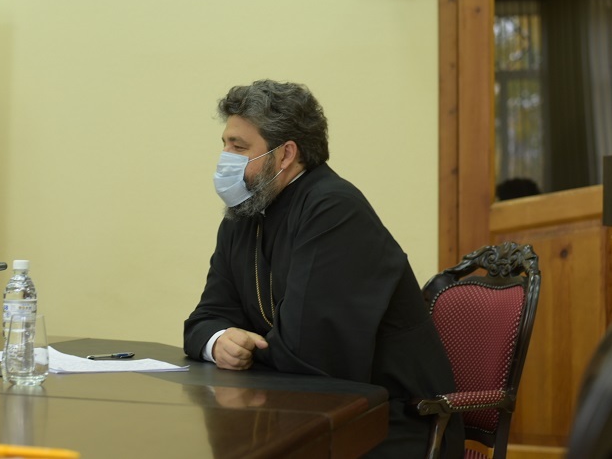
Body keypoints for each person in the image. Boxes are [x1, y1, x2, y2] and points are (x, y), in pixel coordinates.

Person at [183, 80, 463, 458]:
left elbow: (308, 355)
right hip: (300, 409)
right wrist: (219, 343)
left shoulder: (332, 209)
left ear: (286, 154)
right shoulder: (243, 216)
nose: (225, 159)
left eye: (239, 147)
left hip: (389, 421)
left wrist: (247, 348)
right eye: (225, 145)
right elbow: (202, 321)